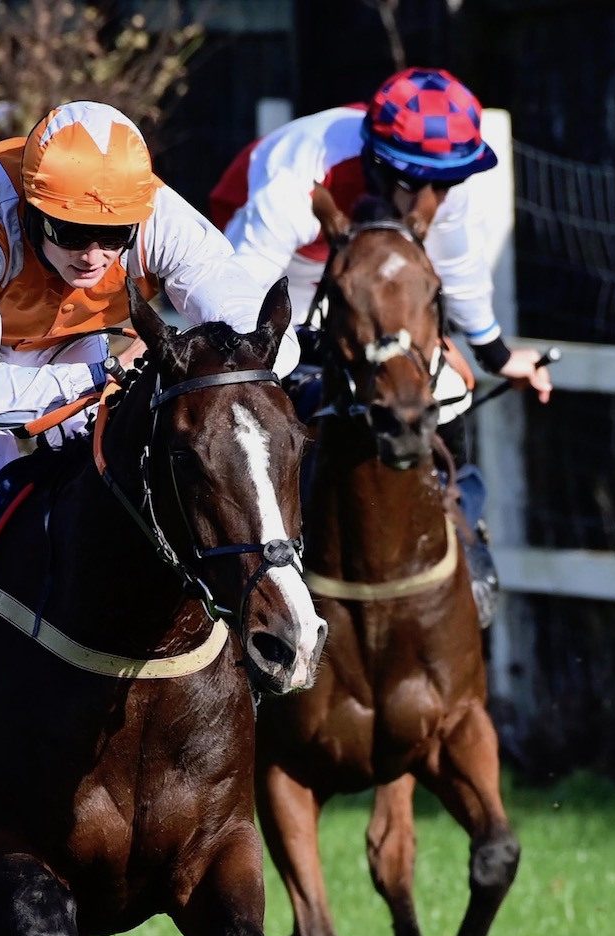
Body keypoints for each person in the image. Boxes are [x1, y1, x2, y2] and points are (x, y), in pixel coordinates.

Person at [0, 100, 296, 762]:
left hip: (72, 341)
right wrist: (94, 383)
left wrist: (177, 361)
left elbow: (267, 344)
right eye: (68, 232)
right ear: (33, 210)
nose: (93, 255)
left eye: (113, 236)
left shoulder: (155, 213)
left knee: (109, 485)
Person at [209, 67, 551, 626]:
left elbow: (457, 268)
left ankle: (460, 521)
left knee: (449, 380)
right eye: (416, 184)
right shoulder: (299, 176)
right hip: (288, 253)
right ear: (376, 161)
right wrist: (304, 351)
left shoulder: (440, 186)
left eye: (444, 185)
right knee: (277, 391)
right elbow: (240, 300)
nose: (431, 198)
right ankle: (266, 553)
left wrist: (496, 355)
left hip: (372, 256)